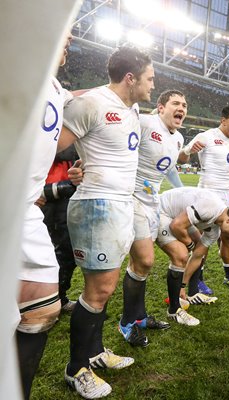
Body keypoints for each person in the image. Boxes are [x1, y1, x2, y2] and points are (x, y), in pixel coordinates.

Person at [57, 45, 155, 398]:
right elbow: (54, 146)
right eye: (149, 78)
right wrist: (72, 171)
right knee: (98, 290)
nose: (152, 85)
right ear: (130, 78)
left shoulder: (132, 108)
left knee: (106, 286)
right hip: (97, 206)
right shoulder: (93, 103)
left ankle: (95, 353)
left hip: (121, 206)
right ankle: (76, 369)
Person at [17, 32, 72, 400]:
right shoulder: (14, 68)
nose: (69, 35)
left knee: (42, 311)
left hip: (23, 211)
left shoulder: (55, 87)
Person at [117, 90, 190, 347]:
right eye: (176, 103)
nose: (181, 108)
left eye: (184, 105)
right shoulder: (146, 123)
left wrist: (181, 189)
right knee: (145, 261)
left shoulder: (179, 138)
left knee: (151, 261)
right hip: (132, 198)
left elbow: (168, 169)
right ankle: (127, 323)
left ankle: (140, 317)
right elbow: (118, 144)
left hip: (153, 204)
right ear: (160, 108)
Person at [157, 187, 229, 325]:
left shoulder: (215, 231)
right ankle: (174, 310)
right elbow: (176, 226)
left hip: (178, 215)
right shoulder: (210, 207)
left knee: (199, 251)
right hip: (161, 209)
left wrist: (183, 286)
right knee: (181, 255)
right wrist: (189, 245)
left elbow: (197, 256)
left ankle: (191, 293)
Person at [181, 105, 229, 292]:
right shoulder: (206, 136)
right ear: (223, 121)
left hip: (228, 197)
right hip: (207, 194)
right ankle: (198, 279)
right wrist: (188, 151)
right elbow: (182, 158)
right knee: (204, 238)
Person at [38, 144, 79, 312]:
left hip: (65, 194)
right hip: (47, 200)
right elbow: (58, 150)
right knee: (56, 253)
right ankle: (49, 302)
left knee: (67, 252)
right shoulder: (46, 127)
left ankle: (58, 298)